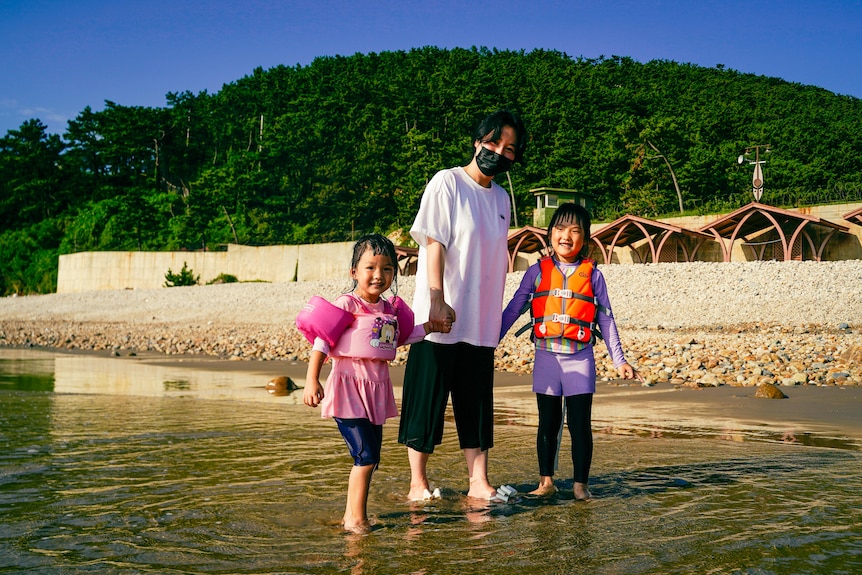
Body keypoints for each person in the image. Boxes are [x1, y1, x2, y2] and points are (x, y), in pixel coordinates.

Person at [397, 110, 528, 503]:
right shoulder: (447, 182)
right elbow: (433, 242)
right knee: (427, 400)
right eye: (493, 143)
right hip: (440, 316)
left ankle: (478, 481)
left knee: (476, 404)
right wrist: (436, 298)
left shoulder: (502, 199)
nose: (498, 154)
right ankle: (417, 483)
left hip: (480, 320)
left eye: (508, 150)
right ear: (477, 141)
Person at [301, 234, 446, 533]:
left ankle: (350, 515)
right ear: (354, 271)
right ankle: (356, 520)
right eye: (370, 268)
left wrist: (431, 327)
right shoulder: (346, 303)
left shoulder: (389, 309)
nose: (378, 275)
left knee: (372, 458)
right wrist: (311, 379)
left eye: (387, 269)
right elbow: (322, 342)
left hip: (376, 389)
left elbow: (404, 337)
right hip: (348, 388)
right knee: (365, 456)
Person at [499, 202, 643, 500]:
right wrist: (490, 341)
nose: (566, 236)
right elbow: (514, 307)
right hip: (546, 357)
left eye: (575, 231)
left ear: (585, 239)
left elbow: (606, 317)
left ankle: (581, 486)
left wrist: (620, 360)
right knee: (547, 424)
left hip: (580, 358)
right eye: (560, 229)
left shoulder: (593, 275)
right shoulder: (537, 273)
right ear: (550, 234)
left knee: (580, 425)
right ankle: (545, 481)